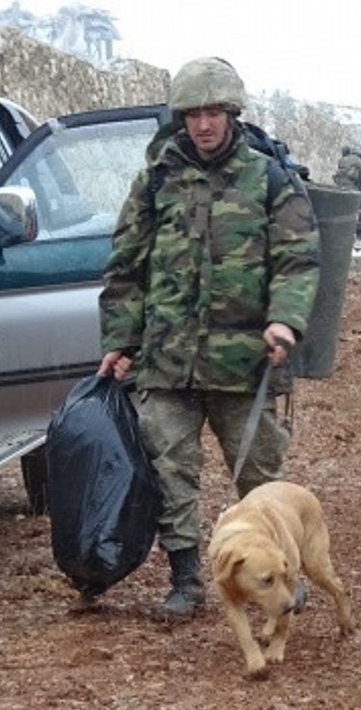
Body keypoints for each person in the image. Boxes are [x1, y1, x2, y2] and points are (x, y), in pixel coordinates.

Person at [98, 56, 321, 617]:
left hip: (246, 360)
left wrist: (284, 320)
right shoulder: (156, 180)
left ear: (231, 113)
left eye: (213, 111)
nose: (204, 124)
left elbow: (298, 259)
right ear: (180, 119)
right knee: (171, 471)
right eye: (193, 113)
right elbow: (126, 265)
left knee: (261, 477)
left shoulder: (268, 178)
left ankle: (279, 570)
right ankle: (186, 580)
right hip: (168, 359)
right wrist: (120, 341)